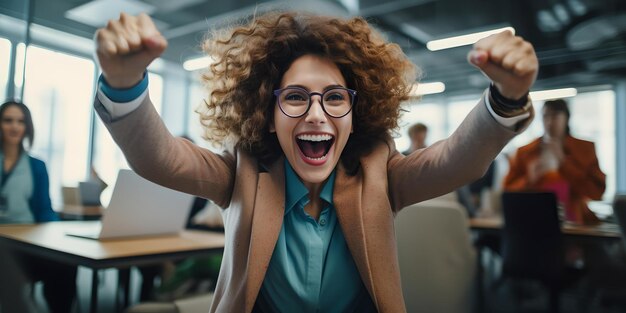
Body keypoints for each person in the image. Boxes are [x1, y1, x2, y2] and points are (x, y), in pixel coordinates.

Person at [94, 11, 537, 312]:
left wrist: (505, 100)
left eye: (334, 98)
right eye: (296, 98)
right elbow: (163, 158)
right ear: (268, 117)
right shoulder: (243, 173)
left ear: (353, 113)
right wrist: (124, 85)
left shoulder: (379, 173)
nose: (316, 113)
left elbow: (454, 161)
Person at [0, 100, 77, 313]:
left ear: (27, 127)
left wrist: (57, 235)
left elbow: (44, 210)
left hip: (26, 241)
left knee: (65, 263)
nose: (14, 126)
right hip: (2, 243)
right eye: (8, 120)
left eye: (20, 121)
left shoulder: (36, 166)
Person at [504, 99, 606, 225]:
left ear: (566, 118)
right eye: (546, 116)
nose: (550, 122)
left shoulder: (584, 149)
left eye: (555, 116)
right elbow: (507, 192)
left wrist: (564, 163)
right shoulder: (525, 152)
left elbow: (597, 192)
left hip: (574, 222)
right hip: (534, 220)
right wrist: (529, 179)